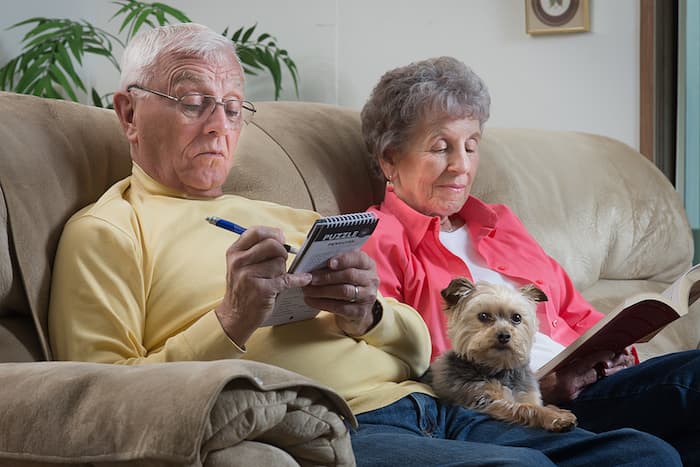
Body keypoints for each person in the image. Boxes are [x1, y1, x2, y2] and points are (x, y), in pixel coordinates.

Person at [47, 24, 681, 467]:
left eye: (235, 107)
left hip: (431, 402)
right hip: (337, 423)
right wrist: (230, 320)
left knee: (645, 454)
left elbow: (414, 340)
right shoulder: (107, 232)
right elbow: (104, 402)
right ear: (128, 114)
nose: (219, 125)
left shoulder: (287, 214)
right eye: (192, 102)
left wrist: (371, 314)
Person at [360, 55, 700, 466]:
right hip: (503, 405)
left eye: (471, 146)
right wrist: (536, 385)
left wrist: (613, 351)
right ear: (389, 160)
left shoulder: (500, 223)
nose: (462, 166)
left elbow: (578, 314)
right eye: (440, 147)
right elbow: (401, 362)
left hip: (590, 386)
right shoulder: (380, 237)